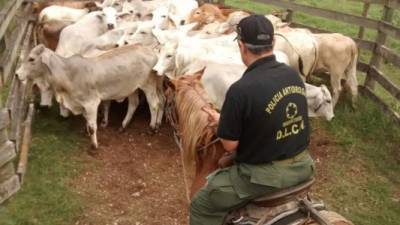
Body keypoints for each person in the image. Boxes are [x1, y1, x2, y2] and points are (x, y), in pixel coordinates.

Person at [189, 15, 315, 225]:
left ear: (241, 46)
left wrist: (223, 123)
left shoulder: (240, 90)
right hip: (304, 166)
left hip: (264, 178)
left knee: (201, 204)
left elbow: (230, 145)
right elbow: (273, 116)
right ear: (273, 43)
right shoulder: (294, 76)